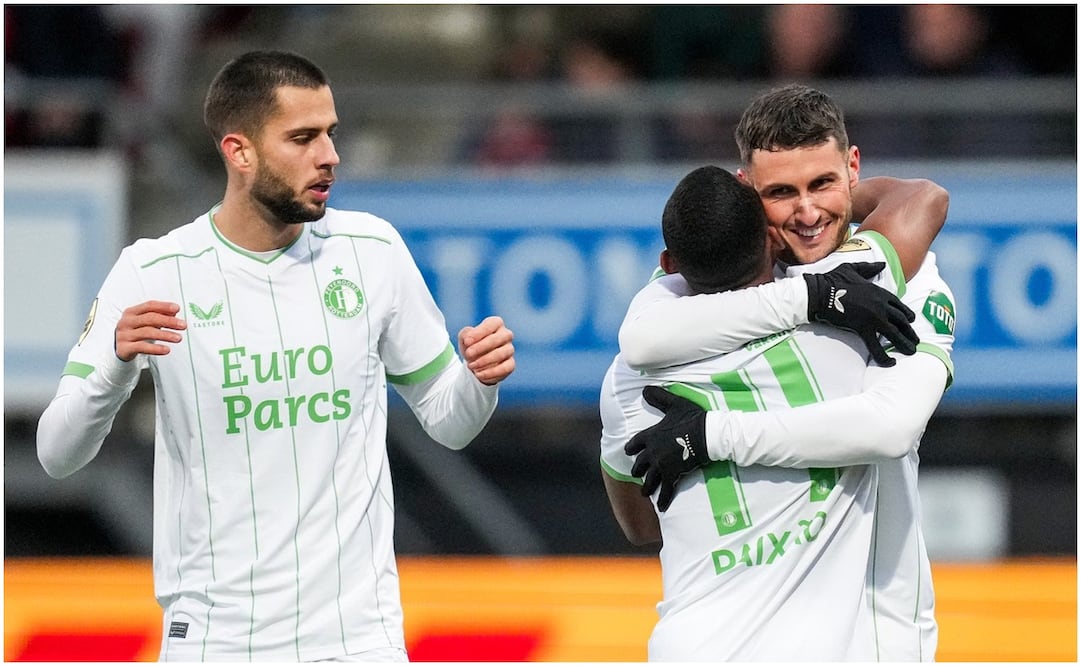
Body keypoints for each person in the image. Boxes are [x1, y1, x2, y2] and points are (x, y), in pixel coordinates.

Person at [36, 50, 516, 662]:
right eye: (303, 138)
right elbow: (55, 454)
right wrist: (113, 366)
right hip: (216, 641)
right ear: (239, 152)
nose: (330, 156)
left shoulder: (372, 251)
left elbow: (449, 423)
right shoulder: (151, 270)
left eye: (331, 134)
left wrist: (478, 380)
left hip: (357, 640)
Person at [618, 84, 956, 660]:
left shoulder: (905, 280)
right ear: (748, 193)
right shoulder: (866, 280)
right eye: (781, 192)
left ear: (853, 167)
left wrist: (712, 436)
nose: (806, 213)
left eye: (822, 183)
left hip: (874, 638)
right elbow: (639, 338)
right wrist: (814, 297)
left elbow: (891, 428)